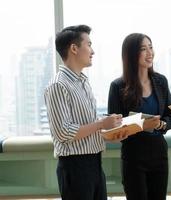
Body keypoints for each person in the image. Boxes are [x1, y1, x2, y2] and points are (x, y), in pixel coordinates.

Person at [44, 25, 125, 200]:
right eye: (88, 44)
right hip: (75, 167)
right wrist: (101, 124)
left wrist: (109, 132)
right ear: (74, 48)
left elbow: (87, 125)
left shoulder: (83, 82)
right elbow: (63, 132)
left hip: (94, 163)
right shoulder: (58, 85)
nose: (93, 51)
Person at [108, 33, 171, 200]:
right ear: (131, 54)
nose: (150, 53)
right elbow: (114, 126)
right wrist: (140, 125)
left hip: (159, 153)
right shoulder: (118, 86)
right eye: (143, 49)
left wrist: (160, 125)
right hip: (134, 156)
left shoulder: (161, 81)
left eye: (151, 47)